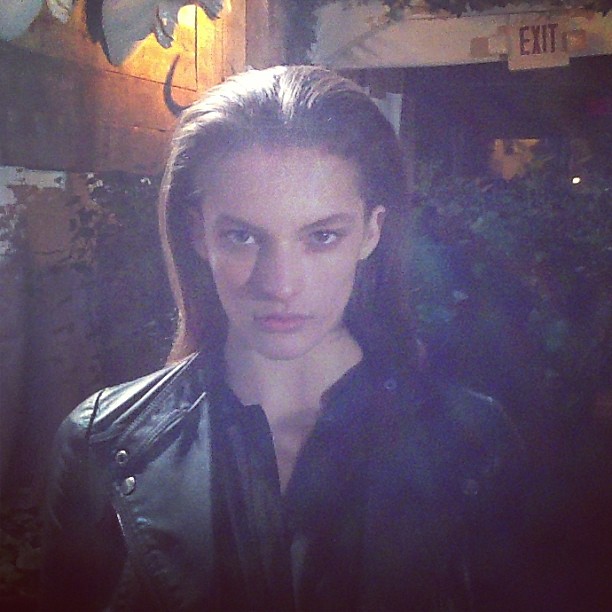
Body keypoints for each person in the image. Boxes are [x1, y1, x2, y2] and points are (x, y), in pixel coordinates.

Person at [41, 65, 526, 611]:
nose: (280, 284)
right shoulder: (102, 445)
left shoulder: (472, 443)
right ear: (198, 234)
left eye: (322, 236)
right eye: (243, 236)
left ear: (372, 231)